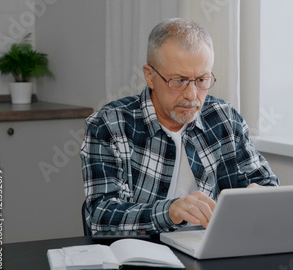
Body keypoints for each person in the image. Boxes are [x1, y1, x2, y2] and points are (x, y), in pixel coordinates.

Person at [81, 18, 279, 234]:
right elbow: (102, 215)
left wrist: (259, 193)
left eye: (202, 80)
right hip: (142, 255)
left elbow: (266, 184)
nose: (192, 95)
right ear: (150, 76)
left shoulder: (224, 118)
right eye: (178, 81)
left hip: (210, 250)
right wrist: (170, 212)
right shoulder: (109, 124)